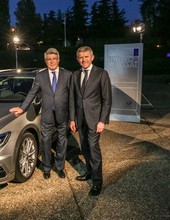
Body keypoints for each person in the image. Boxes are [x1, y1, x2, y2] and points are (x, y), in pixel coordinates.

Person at [10, 48, 72, 180]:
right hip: (47, 114)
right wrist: (22, 108)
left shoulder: (67, 75)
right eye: (49, 59)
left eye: (54, 59)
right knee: (45, 142)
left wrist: (73, 117)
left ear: (58, 60)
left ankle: (60, 167)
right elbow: (32, 92)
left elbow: (72, 97)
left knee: (62, 142)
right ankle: (47, 167)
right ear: (45, 61)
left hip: (63, 115)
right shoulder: (41, 76)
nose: (52, 61)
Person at [70, 46, 112, 196]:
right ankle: (88, 172)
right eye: (81, 57)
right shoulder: (75, 75)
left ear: (92, 57)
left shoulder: (101, 74)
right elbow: (72, 99)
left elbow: (107, 100)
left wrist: (102, 121)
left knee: (94, 150)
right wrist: (72, 119)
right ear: (77, 59)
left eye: (86, 57)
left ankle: (97, 182)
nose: (83, 60)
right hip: (80, 119)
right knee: (85, 148)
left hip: (95, 120)